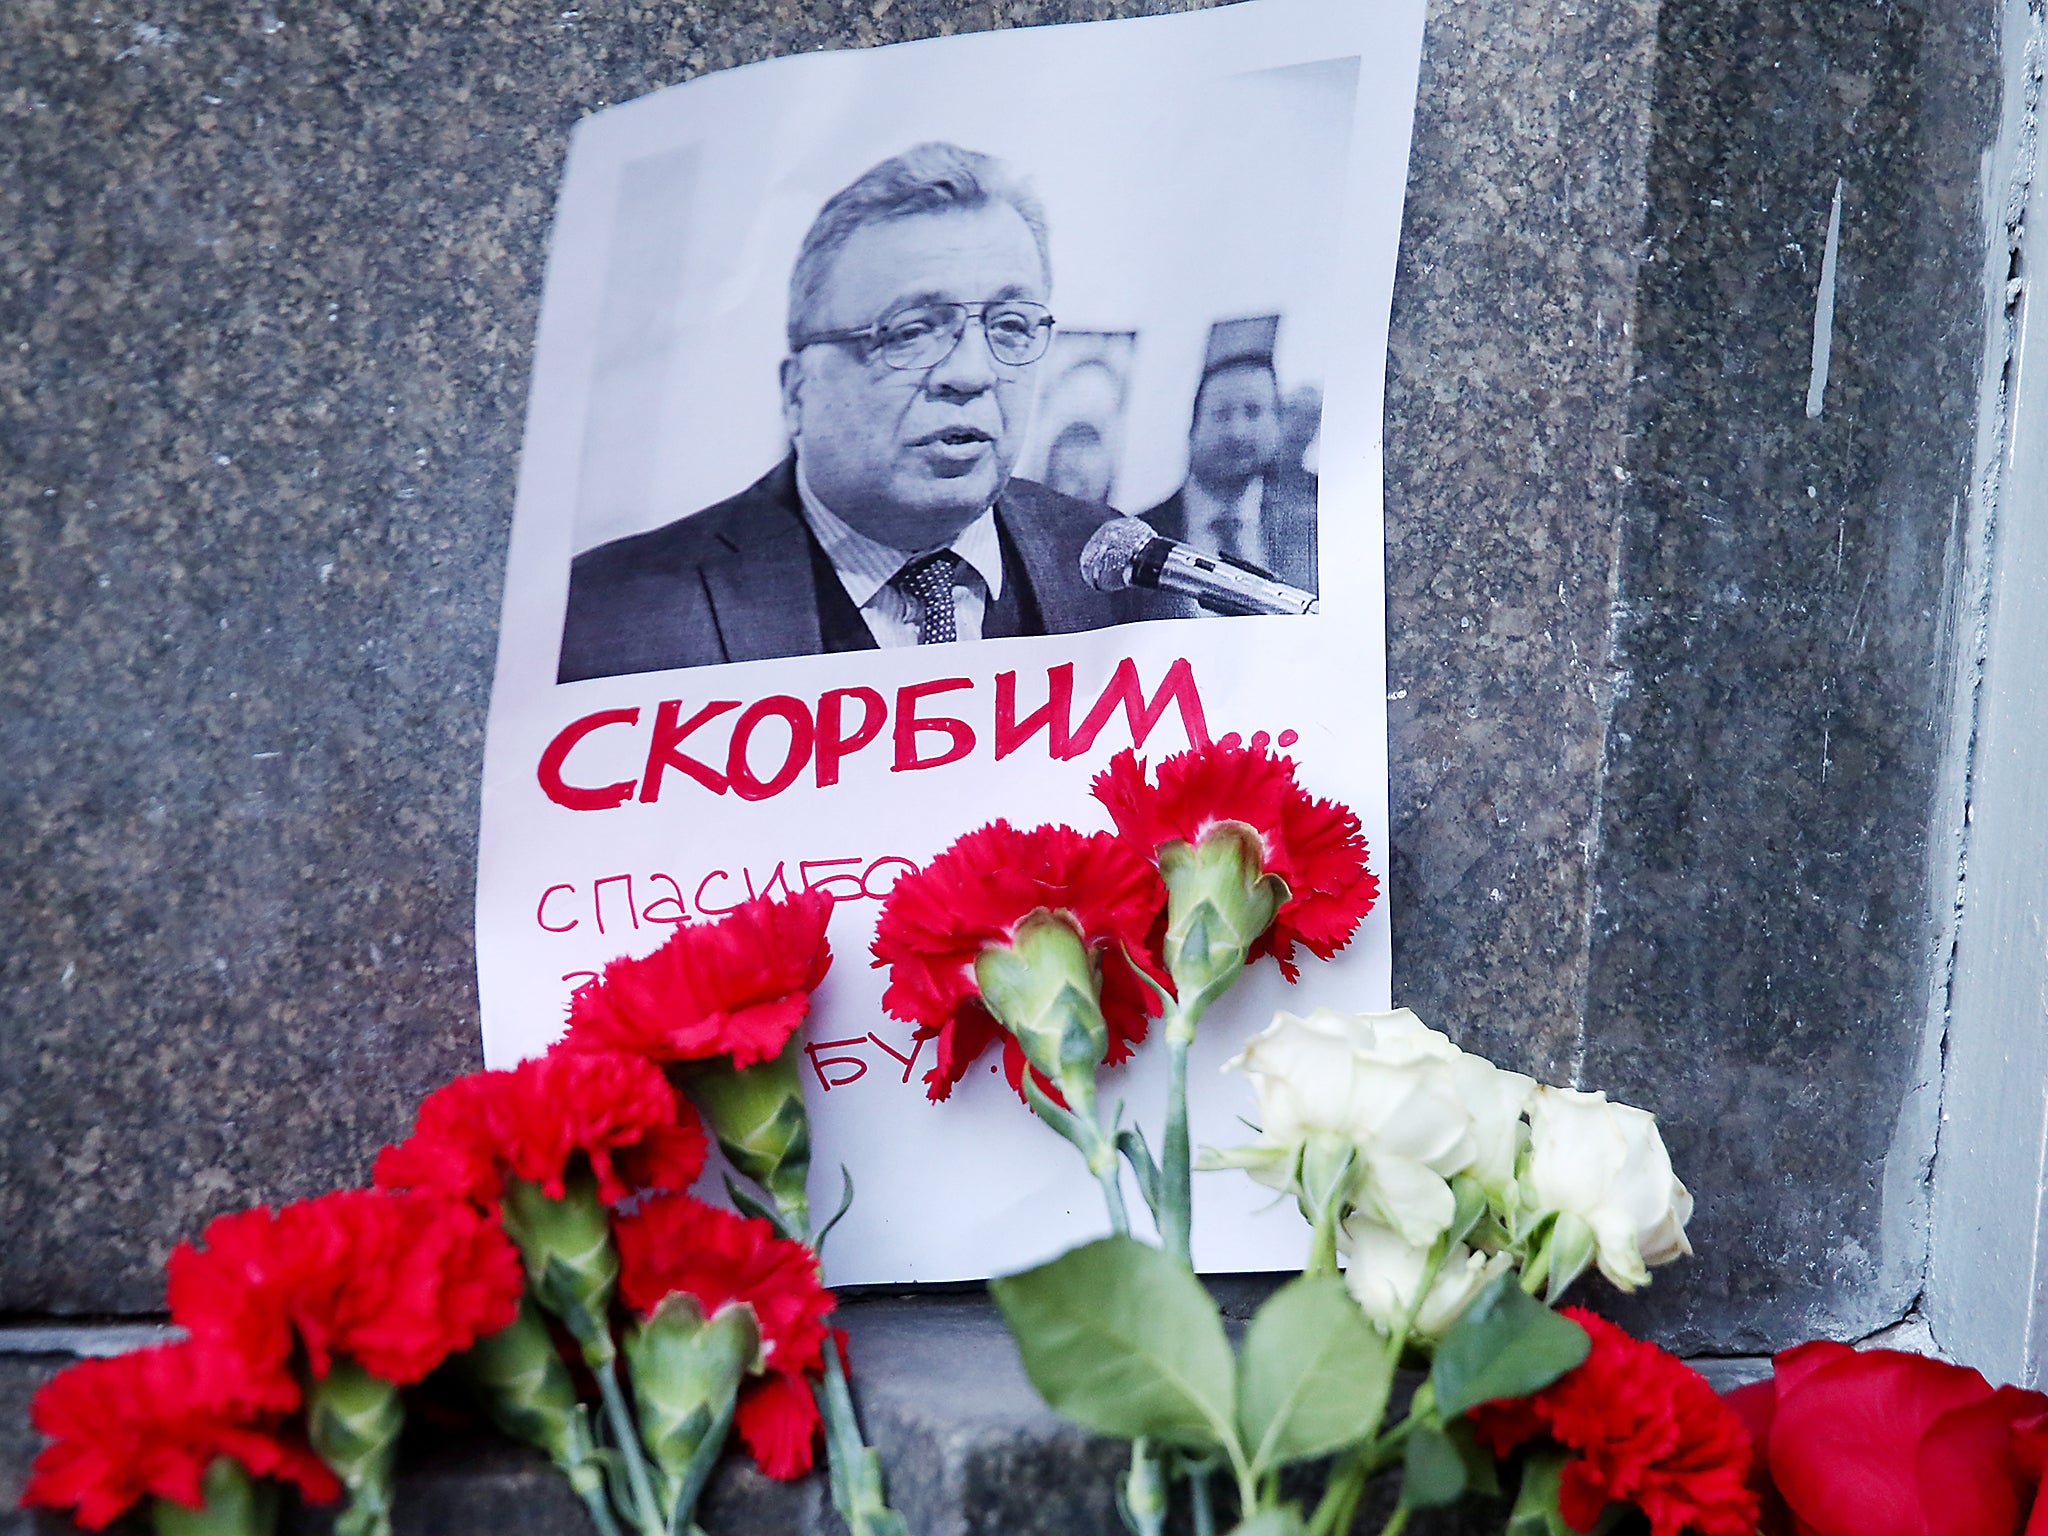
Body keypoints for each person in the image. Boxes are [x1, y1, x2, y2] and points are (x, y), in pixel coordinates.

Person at [558, 142, 1148, 682]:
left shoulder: (1120, 567)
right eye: (911, 331)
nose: (971, 373)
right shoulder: (611, 616)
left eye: (1011, 326)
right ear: (797, 392)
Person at [1139, 321, 1319, 608]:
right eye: (1222, 415)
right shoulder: (1145, 534)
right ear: (1192, 427)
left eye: (1253, 412)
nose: (1238, 433)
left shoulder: (1308, 529)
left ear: (1277, 423)